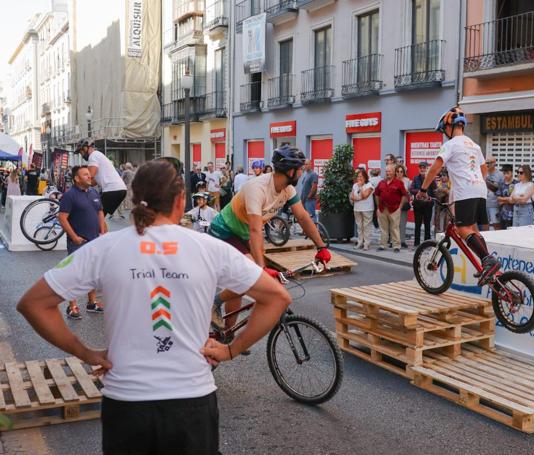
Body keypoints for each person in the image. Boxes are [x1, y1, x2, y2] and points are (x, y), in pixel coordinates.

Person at [18, 158, 290, 455]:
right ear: (180, 200)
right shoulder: (209, 248)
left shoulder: (103, 249)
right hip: (192, 400)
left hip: (127, 401)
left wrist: (86, 353)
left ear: (134, 198)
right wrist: (231, 349)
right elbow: (277, 297)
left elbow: (34, 304)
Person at [209, 145, 331, 331]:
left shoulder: (287, 189)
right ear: (290, 171)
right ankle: (215, 302)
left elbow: (303, 217)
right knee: (250, 276)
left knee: (245, 282)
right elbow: (256, 230)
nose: (301, 172)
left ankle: (227, 333)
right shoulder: (257, 188)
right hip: (225, 231)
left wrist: (321, 247)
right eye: (299, 169)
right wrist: (261, 268)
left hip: (243, 233)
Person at [417, 106, 500, 284]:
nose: (445, 133)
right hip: (480, 190)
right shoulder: (474, 145)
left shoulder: (451, 145)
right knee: (474, 230)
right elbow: (483, 169)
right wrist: (475, 181)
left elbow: (435, 168)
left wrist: (423, 190)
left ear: (449, 126)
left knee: (462, 229)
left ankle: (487, 260)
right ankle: (487, 265)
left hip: (466, 190)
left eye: (444, 129)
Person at [57, 165, 106, 319]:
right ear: (76, 179)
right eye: (85, 175)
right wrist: (74, 237)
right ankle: (72, 307)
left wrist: (103, 231)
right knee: (75, 274)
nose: (89, 176)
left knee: (92, 273)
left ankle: (92, 303)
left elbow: (100, 212)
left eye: (89, 174)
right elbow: (62, 218)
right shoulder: (70, 195)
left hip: (95, 240)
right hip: (78, 242)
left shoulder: (93, 192)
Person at [74, 138, 127, 223]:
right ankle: (102, 233)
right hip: (119, 189)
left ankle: (99, 234)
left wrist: (76, 186)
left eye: (81, 152)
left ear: (85, 148)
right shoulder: (98, 155)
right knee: (99, 216)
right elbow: (93, 182)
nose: (81, 155)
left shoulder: (93, 156)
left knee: (95, 216)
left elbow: (89, 176)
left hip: (112, 189)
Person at [375, 164, 408, 252]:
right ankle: (383, 245)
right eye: (386, 171)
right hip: (382, 209)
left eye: (389, 171)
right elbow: (377, 194)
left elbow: (404, 195)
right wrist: (378, 206)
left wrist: (400, 206)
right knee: (383, 228)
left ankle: (396, 246)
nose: (387, 173)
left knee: (394, 228)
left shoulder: (399, 183)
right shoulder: (381, 182)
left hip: (394, 209)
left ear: (393, 172)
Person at [410, 162, 436, 247]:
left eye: (424, 168)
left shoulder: (431, 178)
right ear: (419, 169)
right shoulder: (415, 178)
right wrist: (420, 192)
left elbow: (435, 191)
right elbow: (411, 189)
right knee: (417, 224)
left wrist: (430, 197)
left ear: (427, 169)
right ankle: (416, 243)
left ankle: (427, 243)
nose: (422, 169)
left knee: (427, 224)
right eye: (421, 168)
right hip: (418, 205)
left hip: (428, 205)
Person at [350, 168, 374, 250]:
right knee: (359, 226)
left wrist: (360, 187)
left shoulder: (369, 185)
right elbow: (352, 197)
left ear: (365, 177)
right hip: (357, 209)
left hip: (367, 209)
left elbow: (365, 195)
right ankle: (360, 242)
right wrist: (359, 198)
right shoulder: (354, 185)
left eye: (361, 176)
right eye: (358, 176)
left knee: (366, 226)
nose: (359, 178)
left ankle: (366, 244)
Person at [485, 156, 504, 230]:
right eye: (485, 163)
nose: (487, 165)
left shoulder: (500, 175)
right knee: (485, 224)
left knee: (496, 224)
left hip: (494, 204)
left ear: (494, 163)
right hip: (484, 203)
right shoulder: (483, 173)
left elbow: (502, 189)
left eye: (488, 163)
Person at [496, 164, 517, 229]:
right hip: (502, 214)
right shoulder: (501, 183)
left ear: (512, 173)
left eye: (508, 173)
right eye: (504, 173)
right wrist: (508, 199)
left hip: (514, 215)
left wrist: (503, 201)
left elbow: (514, 200)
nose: (506, 175)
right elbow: (498, 198)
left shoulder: (516, 184)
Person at [395, 164, 411, 249]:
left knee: (402, 224)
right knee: (394, 224)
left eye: (401, 171)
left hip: (403, 205)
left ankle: (402, 241)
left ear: (403, 172)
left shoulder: (407, 180)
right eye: (397, 171)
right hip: (394, 205)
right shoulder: (393, 180)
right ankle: (394, 241)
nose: (399, 173)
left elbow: (409, 192)